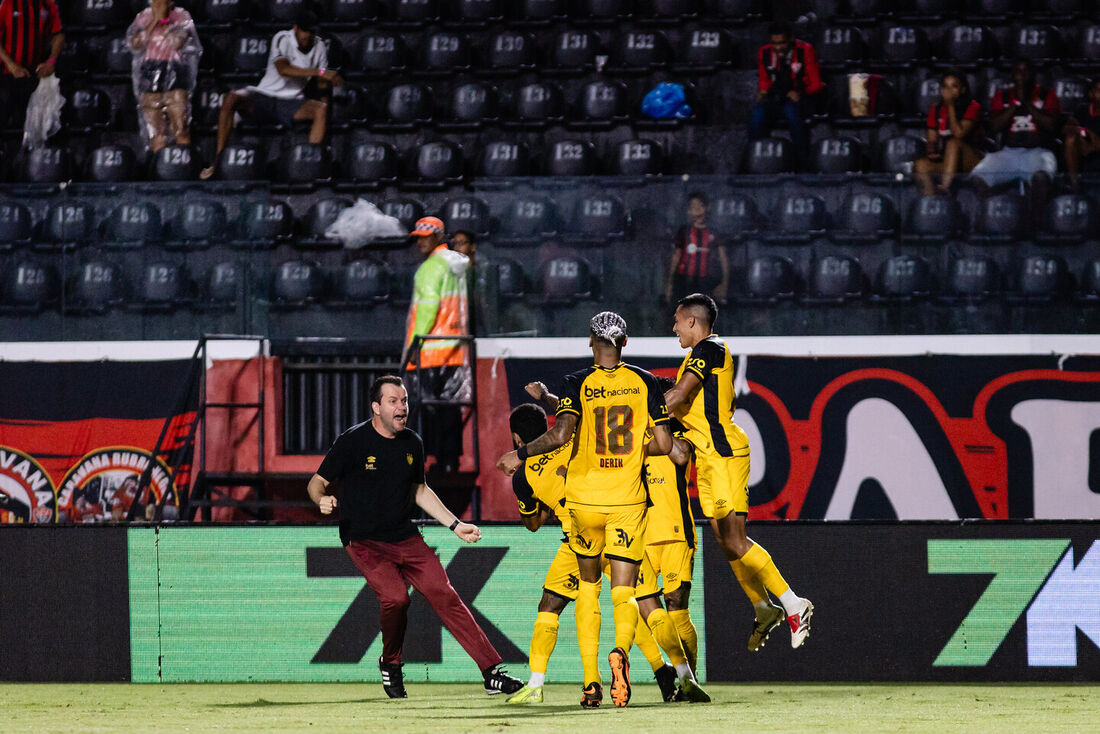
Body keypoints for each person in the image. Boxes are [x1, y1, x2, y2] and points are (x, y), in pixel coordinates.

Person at [306, 375, 523, 699]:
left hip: (405, 537)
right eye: (393, 401)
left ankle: (491, 672)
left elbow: (419, 490)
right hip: (363, 541)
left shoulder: (412, 444)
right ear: (376, 407)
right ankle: (391, 663)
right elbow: (316, 483)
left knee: (444, 593)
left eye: (404, 401)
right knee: (396, 598)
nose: (401, 407)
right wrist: (321, 499)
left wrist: (454, 525)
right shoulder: (353, 441)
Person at [497, 312, 673, 709]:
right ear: (625, 342)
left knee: (586, 590)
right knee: (628, 594)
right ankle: (640, 662)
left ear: (590, 340)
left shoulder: (577, 383)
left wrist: (519, 453)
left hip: (582, 506)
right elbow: (664, 444)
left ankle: (590, 682)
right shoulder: (645, 382)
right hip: (627, 502)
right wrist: (633, 453)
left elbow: (562, 432)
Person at [504, 392, 705, 705]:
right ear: (550, 427)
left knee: (551, 607)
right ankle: (678, 675)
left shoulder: (524, 474)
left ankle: (550, 683)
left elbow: (533, 523)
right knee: (646, 603)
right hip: (617, 526)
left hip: (579, 540)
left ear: (517, 437)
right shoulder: (577, 436)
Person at [665, 294, 814, 652]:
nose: (673, 328)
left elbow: (677, 395)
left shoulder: (710, 349)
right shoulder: (695, 355)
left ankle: (794, 604)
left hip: (725, 453)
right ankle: (764, 609)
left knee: (734, 539)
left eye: (677, 321)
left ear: (692, 322)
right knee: (724, 540)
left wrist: (637, 417)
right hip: (709, 458)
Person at [200, 10, 340, 179]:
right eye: (304, 31)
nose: (307, 36)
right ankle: (218, 161)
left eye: (310, 32)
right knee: (230, 98)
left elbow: (322, 83)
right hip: (264, 96)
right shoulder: (282, 38)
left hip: (291, 101)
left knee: (321, 110)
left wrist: (328, 86)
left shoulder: (319, 46)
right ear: (295, 28)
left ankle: (310, 165)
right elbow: (283, 69)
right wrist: (320, 72)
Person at [635, 379, 708, 700]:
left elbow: (679, 456)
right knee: (645, 608)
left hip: (676, 532)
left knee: (677, 609)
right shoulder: (634, 430)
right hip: (639, 535)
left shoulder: (681, 431)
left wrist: (655, 422)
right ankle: (678, 674)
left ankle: (689, 679)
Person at [403, 216, 471, 472]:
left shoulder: (431, 267)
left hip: (431, 350)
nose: (420, 242)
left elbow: (427, 310)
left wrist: (413, 346)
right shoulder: (456, 265)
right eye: (418, 237)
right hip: (454, 348)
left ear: (437, 236)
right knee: (449, 409)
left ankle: (436, 461)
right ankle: (450, 461)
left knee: (430, 408)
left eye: (424, 237)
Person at [970, 60, 1060, 220]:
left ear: (1033, 75)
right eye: (1018, 72)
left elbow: (1052, 125)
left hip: (1038, 152)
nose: (1022, 76)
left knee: (1041, 178)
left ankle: (1034, 224)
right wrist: (1014, 105)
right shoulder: (1002, 96)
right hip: (1008, 153)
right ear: (1012, 76)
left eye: (1026, 71)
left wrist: (1027, 103)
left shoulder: (1047, 95)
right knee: (978, 177)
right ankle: (993, 218)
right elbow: (994, 126)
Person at [126, 0, 201, 153]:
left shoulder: (181, 15)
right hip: (150, 70)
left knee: (180, 127)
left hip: (175, 69)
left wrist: (165, 20)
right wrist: (154, 20)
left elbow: (177, 43)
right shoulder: (143, 17)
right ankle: (161, 168)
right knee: (156, 131)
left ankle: (183, 163)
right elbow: (135, 45)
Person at [750, 21, 824, 172]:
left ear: (791, 39)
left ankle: (803, 163)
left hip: (802, 98)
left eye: (782, 43)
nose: (778, 48)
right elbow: (764, 79)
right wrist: (762, 91)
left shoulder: (805, 50)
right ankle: (757, 158)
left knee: (791, 111)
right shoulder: (764, 52)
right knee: (758, 112)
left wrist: (800, 93)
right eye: (774, 43)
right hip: (777, 98)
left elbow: (816, 84)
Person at [913, 71, 984, 196]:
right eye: (945, 86)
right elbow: (932, 139)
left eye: (954, 86)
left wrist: (950, 105)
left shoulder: (973, 107)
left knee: (953, 143)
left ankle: (945, 189)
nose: (949, 90)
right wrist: (932, 151)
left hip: (973, 161)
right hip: (948, 162)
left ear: (962, 89)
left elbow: (959, 134)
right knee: (920, 165)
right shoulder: (936, 109)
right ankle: (932, 201)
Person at [0, 0, 63, 132]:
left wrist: (51, 61)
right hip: (6, 74)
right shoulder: (7, 3)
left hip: (34, 75)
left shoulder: (48, 4)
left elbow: (58, 34)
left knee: (32, 126)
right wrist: (11, 65)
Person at [663, 191, 729, 306]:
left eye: (700, 206)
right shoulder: (684, 231)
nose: (697, 210)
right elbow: (676, 257)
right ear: (688, 211)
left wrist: (724, 284)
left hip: (706, 282)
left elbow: (724, 259)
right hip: (684, 281)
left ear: (707, 208)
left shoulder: (714, 233)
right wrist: (670, 283)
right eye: (693, 207)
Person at [1063, 78, 1100, 192]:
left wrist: (1095, 144)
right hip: (1084, 156)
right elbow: (1066, 129)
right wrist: (1084, 131)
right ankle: (1075, 186)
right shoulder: (1082, 109)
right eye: (1099, 90)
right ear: (1091, 94)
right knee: (1071, 140)